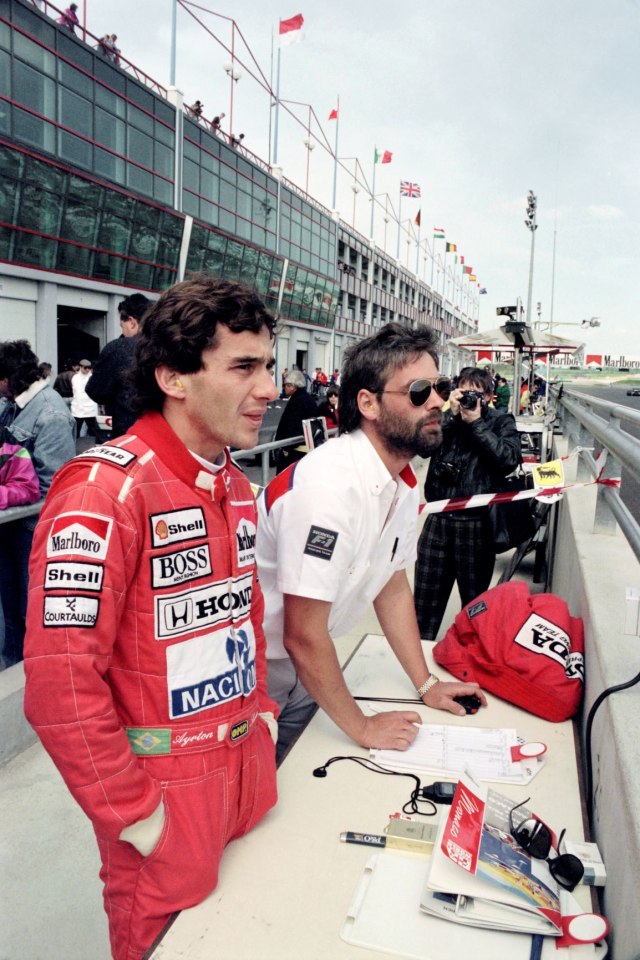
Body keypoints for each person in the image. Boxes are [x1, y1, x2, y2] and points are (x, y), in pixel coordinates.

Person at [23, 276, 279, 960]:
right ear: (173, 376)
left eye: (270, 366)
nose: (270, 389)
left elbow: (244, 619)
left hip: (247, 779)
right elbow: (60, 686)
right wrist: (138, 817)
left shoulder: (234, 485)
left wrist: (261, 716)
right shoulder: (103, 490)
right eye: (245, 368)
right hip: (165, 801)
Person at [256, 323, 487, 760]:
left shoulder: (398, 481)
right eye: (419, 391)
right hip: (258, 672)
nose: (438, 401)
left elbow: (391, 580)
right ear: (369, 403)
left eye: (441, 386)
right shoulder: (328, 491)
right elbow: (302, 636)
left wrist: (427, 685)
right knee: (256, 803)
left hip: (306, 667)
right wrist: (362, 726)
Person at [413, 366, 522, 642]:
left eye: (477, 393)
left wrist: (476, 423)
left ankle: (466, 663)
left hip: (476, 526)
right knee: (422, 607)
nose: (470, 399)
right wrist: (450, 416)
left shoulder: (500, 421)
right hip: (438, 521)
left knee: (474, 608)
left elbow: (508, 460)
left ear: (489, 396)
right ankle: (419, 667)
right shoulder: (445, 419)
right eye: (465, 391)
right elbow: (423, 448)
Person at [0, 340, 75, 666]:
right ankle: (14, 664)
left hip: (32, 527)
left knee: (31, 606)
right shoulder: (12, 405)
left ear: (7, 378)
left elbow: (52, 485)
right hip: (12, 523)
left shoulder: (50, 413)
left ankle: (32, 671)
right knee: (12, 605)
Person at [86, 293, 151, 438]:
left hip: (129, 431)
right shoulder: (170, 346)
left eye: (122, 326)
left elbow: (95, 390)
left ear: (131, 321)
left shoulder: (119, 348)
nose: (122, 330)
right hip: (165, 432)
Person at [273, 369, 318, 474]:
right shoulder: (308, 398)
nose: (284, 388)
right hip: (306, 447)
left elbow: (293, 426)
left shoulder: (296, 401)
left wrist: (286, 448)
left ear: (292, 386)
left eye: (286, 385)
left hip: (295, 451)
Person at [70, 359, 99, 439]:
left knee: (93, 430)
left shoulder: (92, 377)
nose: (87, 369)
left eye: (89, 368)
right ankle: (75, 446)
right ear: (80, 367)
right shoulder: (75, 378)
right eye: (85, 368)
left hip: (90, 408)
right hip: (78, 407)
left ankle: (96, 446)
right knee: (76, 430)